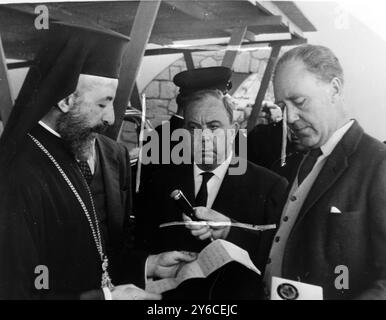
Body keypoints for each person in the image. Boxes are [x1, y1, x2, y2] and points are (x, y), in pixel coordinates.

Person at [0, 22, 195, 300]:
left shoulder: (74, 147)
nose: (111, 119)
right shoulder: (16, 174)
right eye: (103, 104)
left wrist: (148, 265)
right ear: (65, 100)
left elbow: (96, 253)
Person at [135, 89, 287, 299]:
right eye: (194, 128)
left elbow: (276, 255)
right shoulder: (160, 182)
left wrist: (230, 231)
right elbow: (138, 243)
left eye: (214, 127)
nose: (204, 138)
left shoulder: (270, 186)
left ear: (233, 131)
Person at [263, 44, 386, 299]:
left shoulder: (378, 164)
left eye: (299, 101)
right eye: (282, 106)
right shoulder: (293, 163)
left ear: (335, 89)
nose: (290, 118)